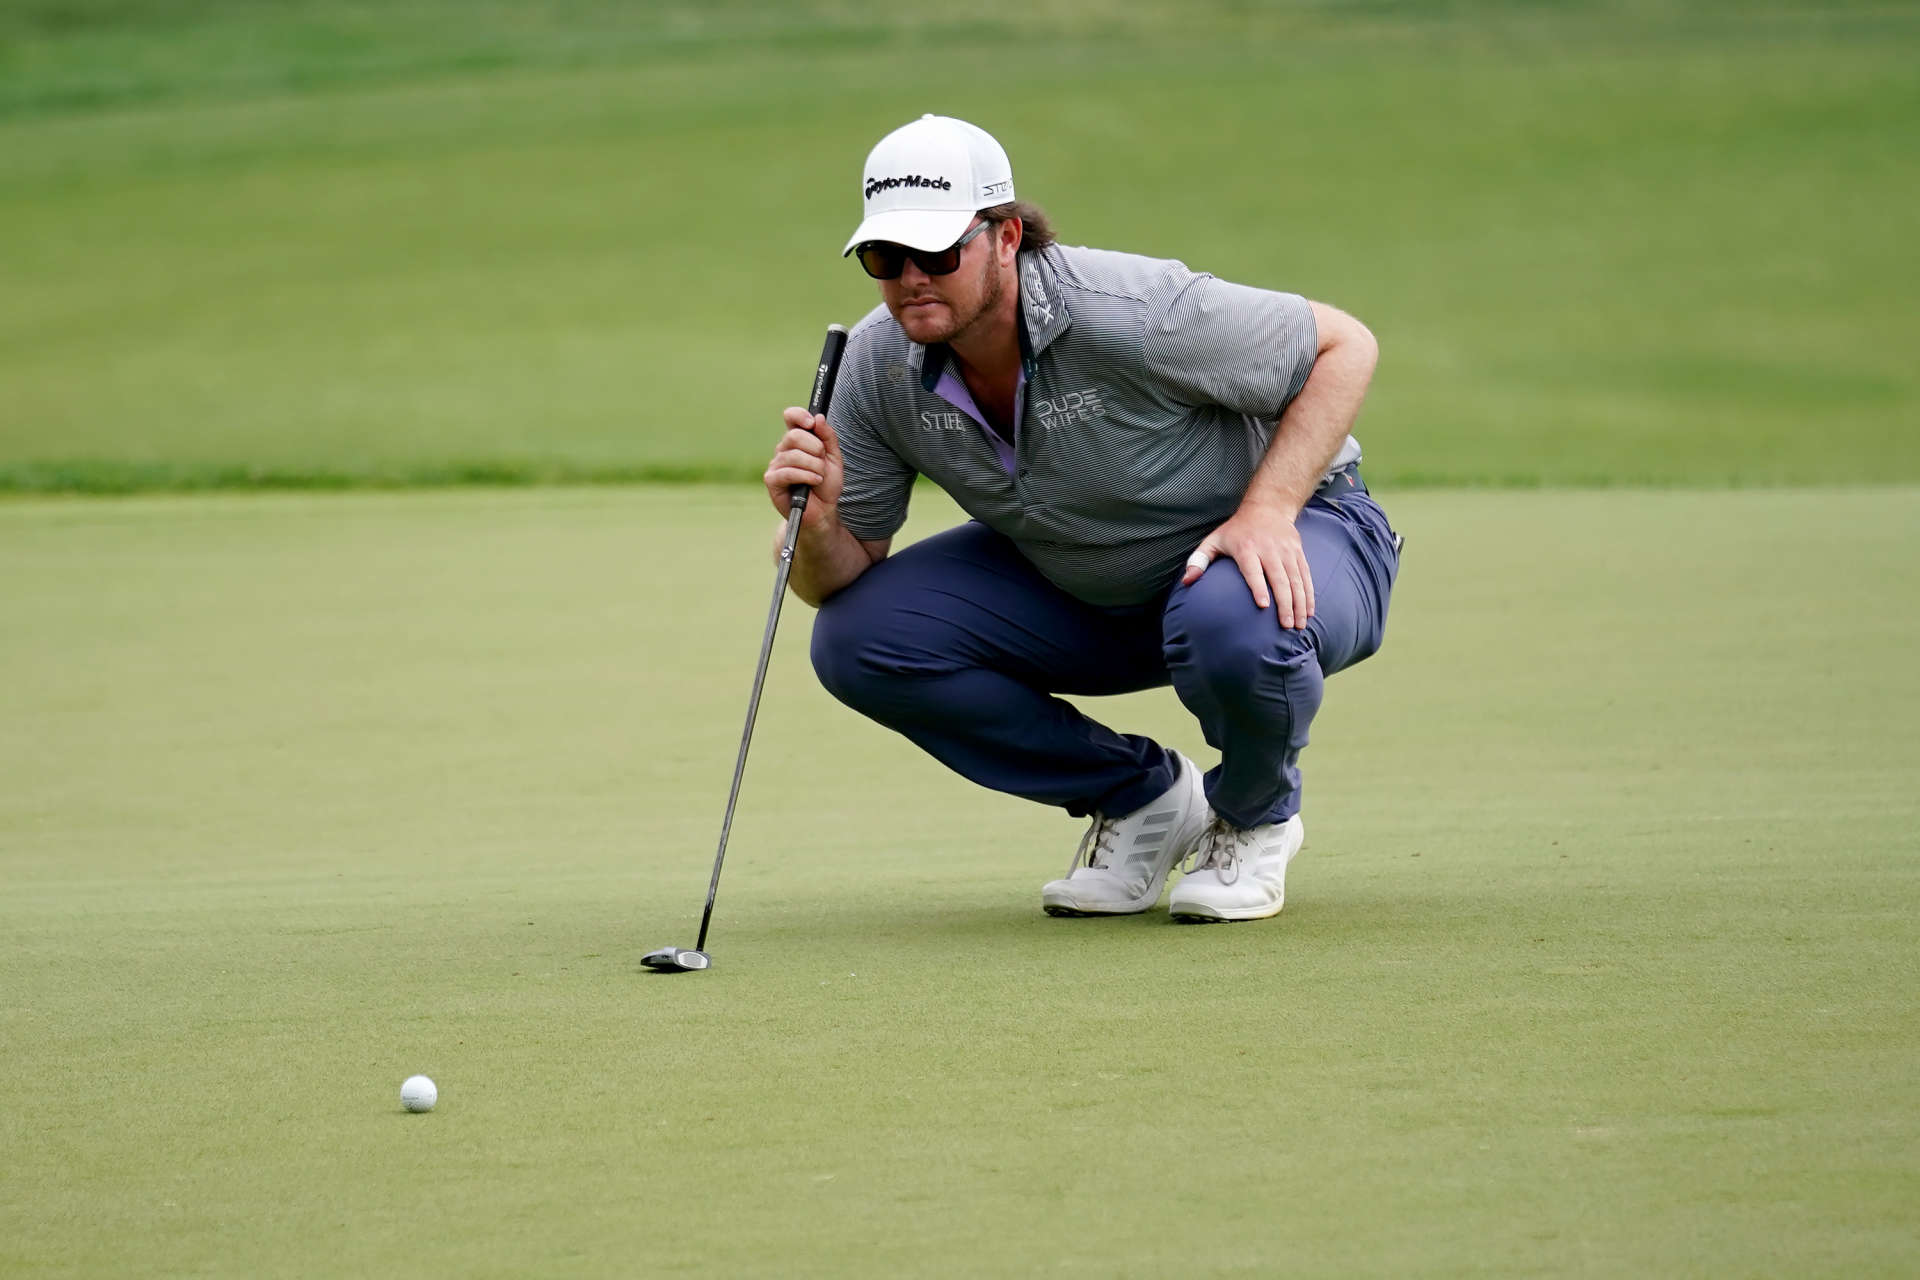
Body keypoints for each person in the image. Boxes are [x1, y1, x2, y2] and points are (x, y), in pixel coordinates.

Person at [762, 115, 1401, 923]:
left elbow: (1346, 345)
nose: (911, 278)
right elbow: (835, 581)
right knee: (860, 639)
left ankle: (1251, 815)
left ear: (1006, 237)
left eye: (937, 253)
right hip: (1097, 582)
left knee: (1235, 614)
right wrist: (815, 524)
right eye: (886, 258)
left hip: (1300, 538)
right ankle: (1142, 799)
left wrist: (1269, 508)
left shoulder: (1132, 311)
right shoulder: (875, 363)